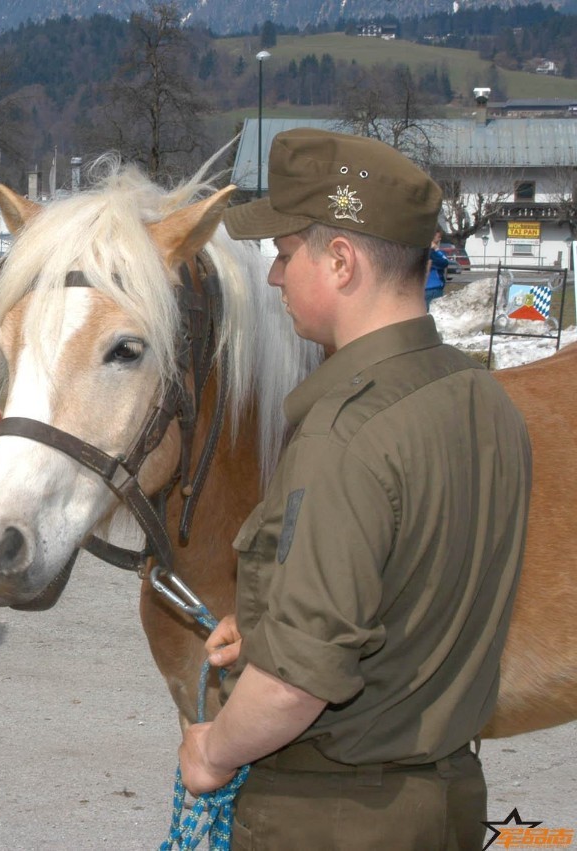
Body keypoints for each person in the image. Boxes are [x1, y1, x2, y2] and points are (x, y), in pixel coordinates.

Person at [178, 128, 532, 849]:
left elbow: (295, 686)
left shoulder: (345, 433)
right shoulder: (481, 396)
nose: (274, 278)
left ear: (339, 261)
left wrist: (211, 750)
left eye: (282, 255)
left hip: (329, 816)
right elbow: (413, 578)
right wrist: (272, 617)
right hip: (448, 803)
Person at [426, 229, 450, 308]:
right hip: (433, 288)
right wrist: (436, 249)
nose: (440, 239)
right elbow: (445, 262)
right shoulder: (433, 253)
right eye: (438, 237)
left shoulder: (420, 251)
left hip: (421, 288)